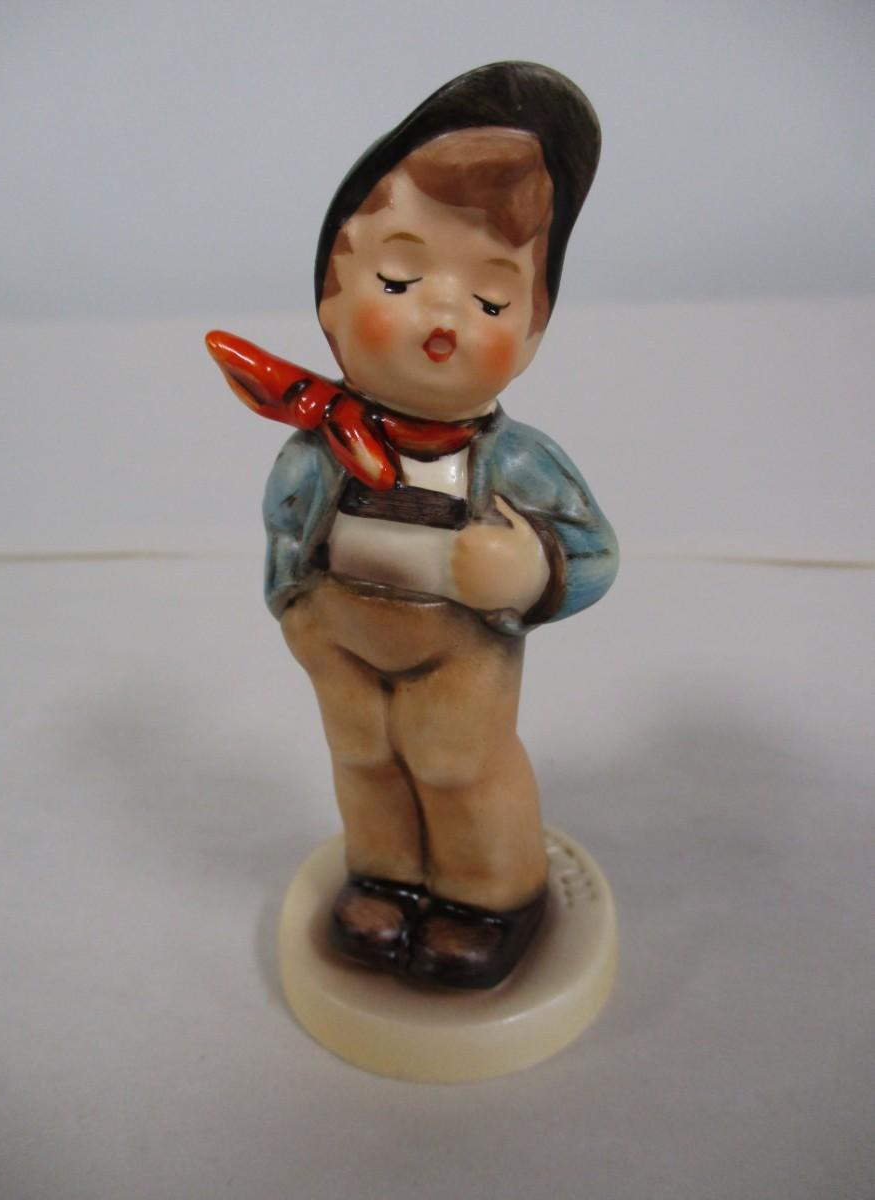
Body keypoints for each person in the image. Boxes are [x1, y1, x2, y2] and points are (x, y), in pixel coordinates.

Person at [207, 62, 617, 989]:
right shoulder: (316, 451)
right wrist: (297, 612)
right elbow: (285, 531)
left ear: (535, 330)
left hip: (460, 649)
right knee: (363, 759)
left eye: (491, 301)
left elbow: (596, 553)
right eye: (397, 277)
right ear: (331, 296)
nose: (442, 313)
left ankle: (486, 896)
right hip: (342, 639)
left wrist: (531, 573)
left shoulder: (515, 462)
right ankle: (385, 879)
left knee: (457, 765)